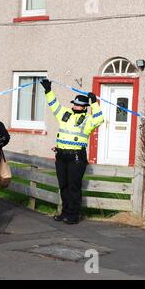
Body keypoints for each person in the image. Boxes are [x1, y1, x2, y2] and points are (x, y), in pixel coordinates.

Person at [41, 79, 104, 225]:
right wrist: (48, 91)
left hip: (76, 157)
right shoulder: (65, 114)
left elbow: (99, 119)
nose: (76, 106)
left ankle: (73, 215)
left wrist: (94, 102)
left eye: (79, 105)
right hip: (61, 156)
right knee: (63, 185)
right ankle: (65, 213)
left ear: (84, 108)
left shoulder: (88, 120)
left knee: (73, 187)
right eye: (75, 103)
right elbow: (53, 105)